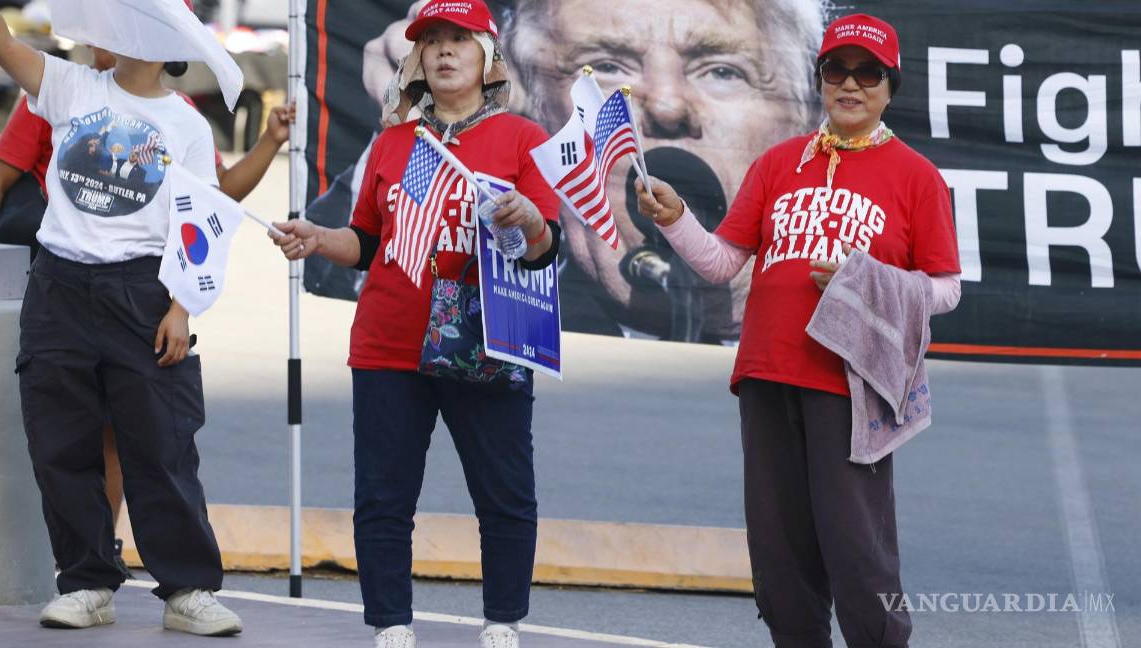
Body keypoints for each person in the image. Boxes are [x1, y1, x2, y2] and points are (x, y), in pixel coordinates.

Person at [636, 14, 961, 648]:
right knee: (779, 549)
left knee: (856, 547)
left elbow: (947, 290)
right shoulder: (779, 162)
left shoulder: (915, 175)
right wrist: (676, 220)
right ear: (819, 79)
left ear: (890, 86)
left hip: (850, 381)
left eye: (868, 73)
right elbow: (722, 262)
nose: (850, 84)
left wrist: (863, 279)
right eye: (836, 70)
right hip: (765, 372)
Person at [272, 2, 558, 647]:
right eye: (432, 42)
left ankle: (502, 622)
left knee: (505, 492)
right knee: (383, 496)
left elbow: (546, 249)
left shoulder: (522, 139)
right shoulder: (396, 142)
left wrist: (530, 221)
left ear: (489, 57)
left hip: (489, 340)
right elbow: (367, 241)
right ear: (416, 61)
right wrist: (320, 237)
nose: (445, 51)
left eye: (460, 39)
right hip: (388, 343)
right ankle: (392, 625)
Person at [0, 44, 295, 580]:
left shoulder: (186, 122)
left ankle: (185, 586)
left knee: (154, 442)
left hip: (139, 289)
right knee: (63, 441)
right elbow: (3, 57)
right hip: (58, 281)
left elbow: (209, 208)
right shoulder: (66, 85)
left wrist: (182, 305)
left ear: (163, 40)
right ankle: (87, 576)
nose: (109, 34)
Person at [501, 0, 826, 342]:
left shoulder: (828, 330)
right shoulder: (513, 334)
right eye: (607, 65)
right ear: (535, 105)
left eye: (722, 71)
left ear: (807, 115)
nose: (667, 106)